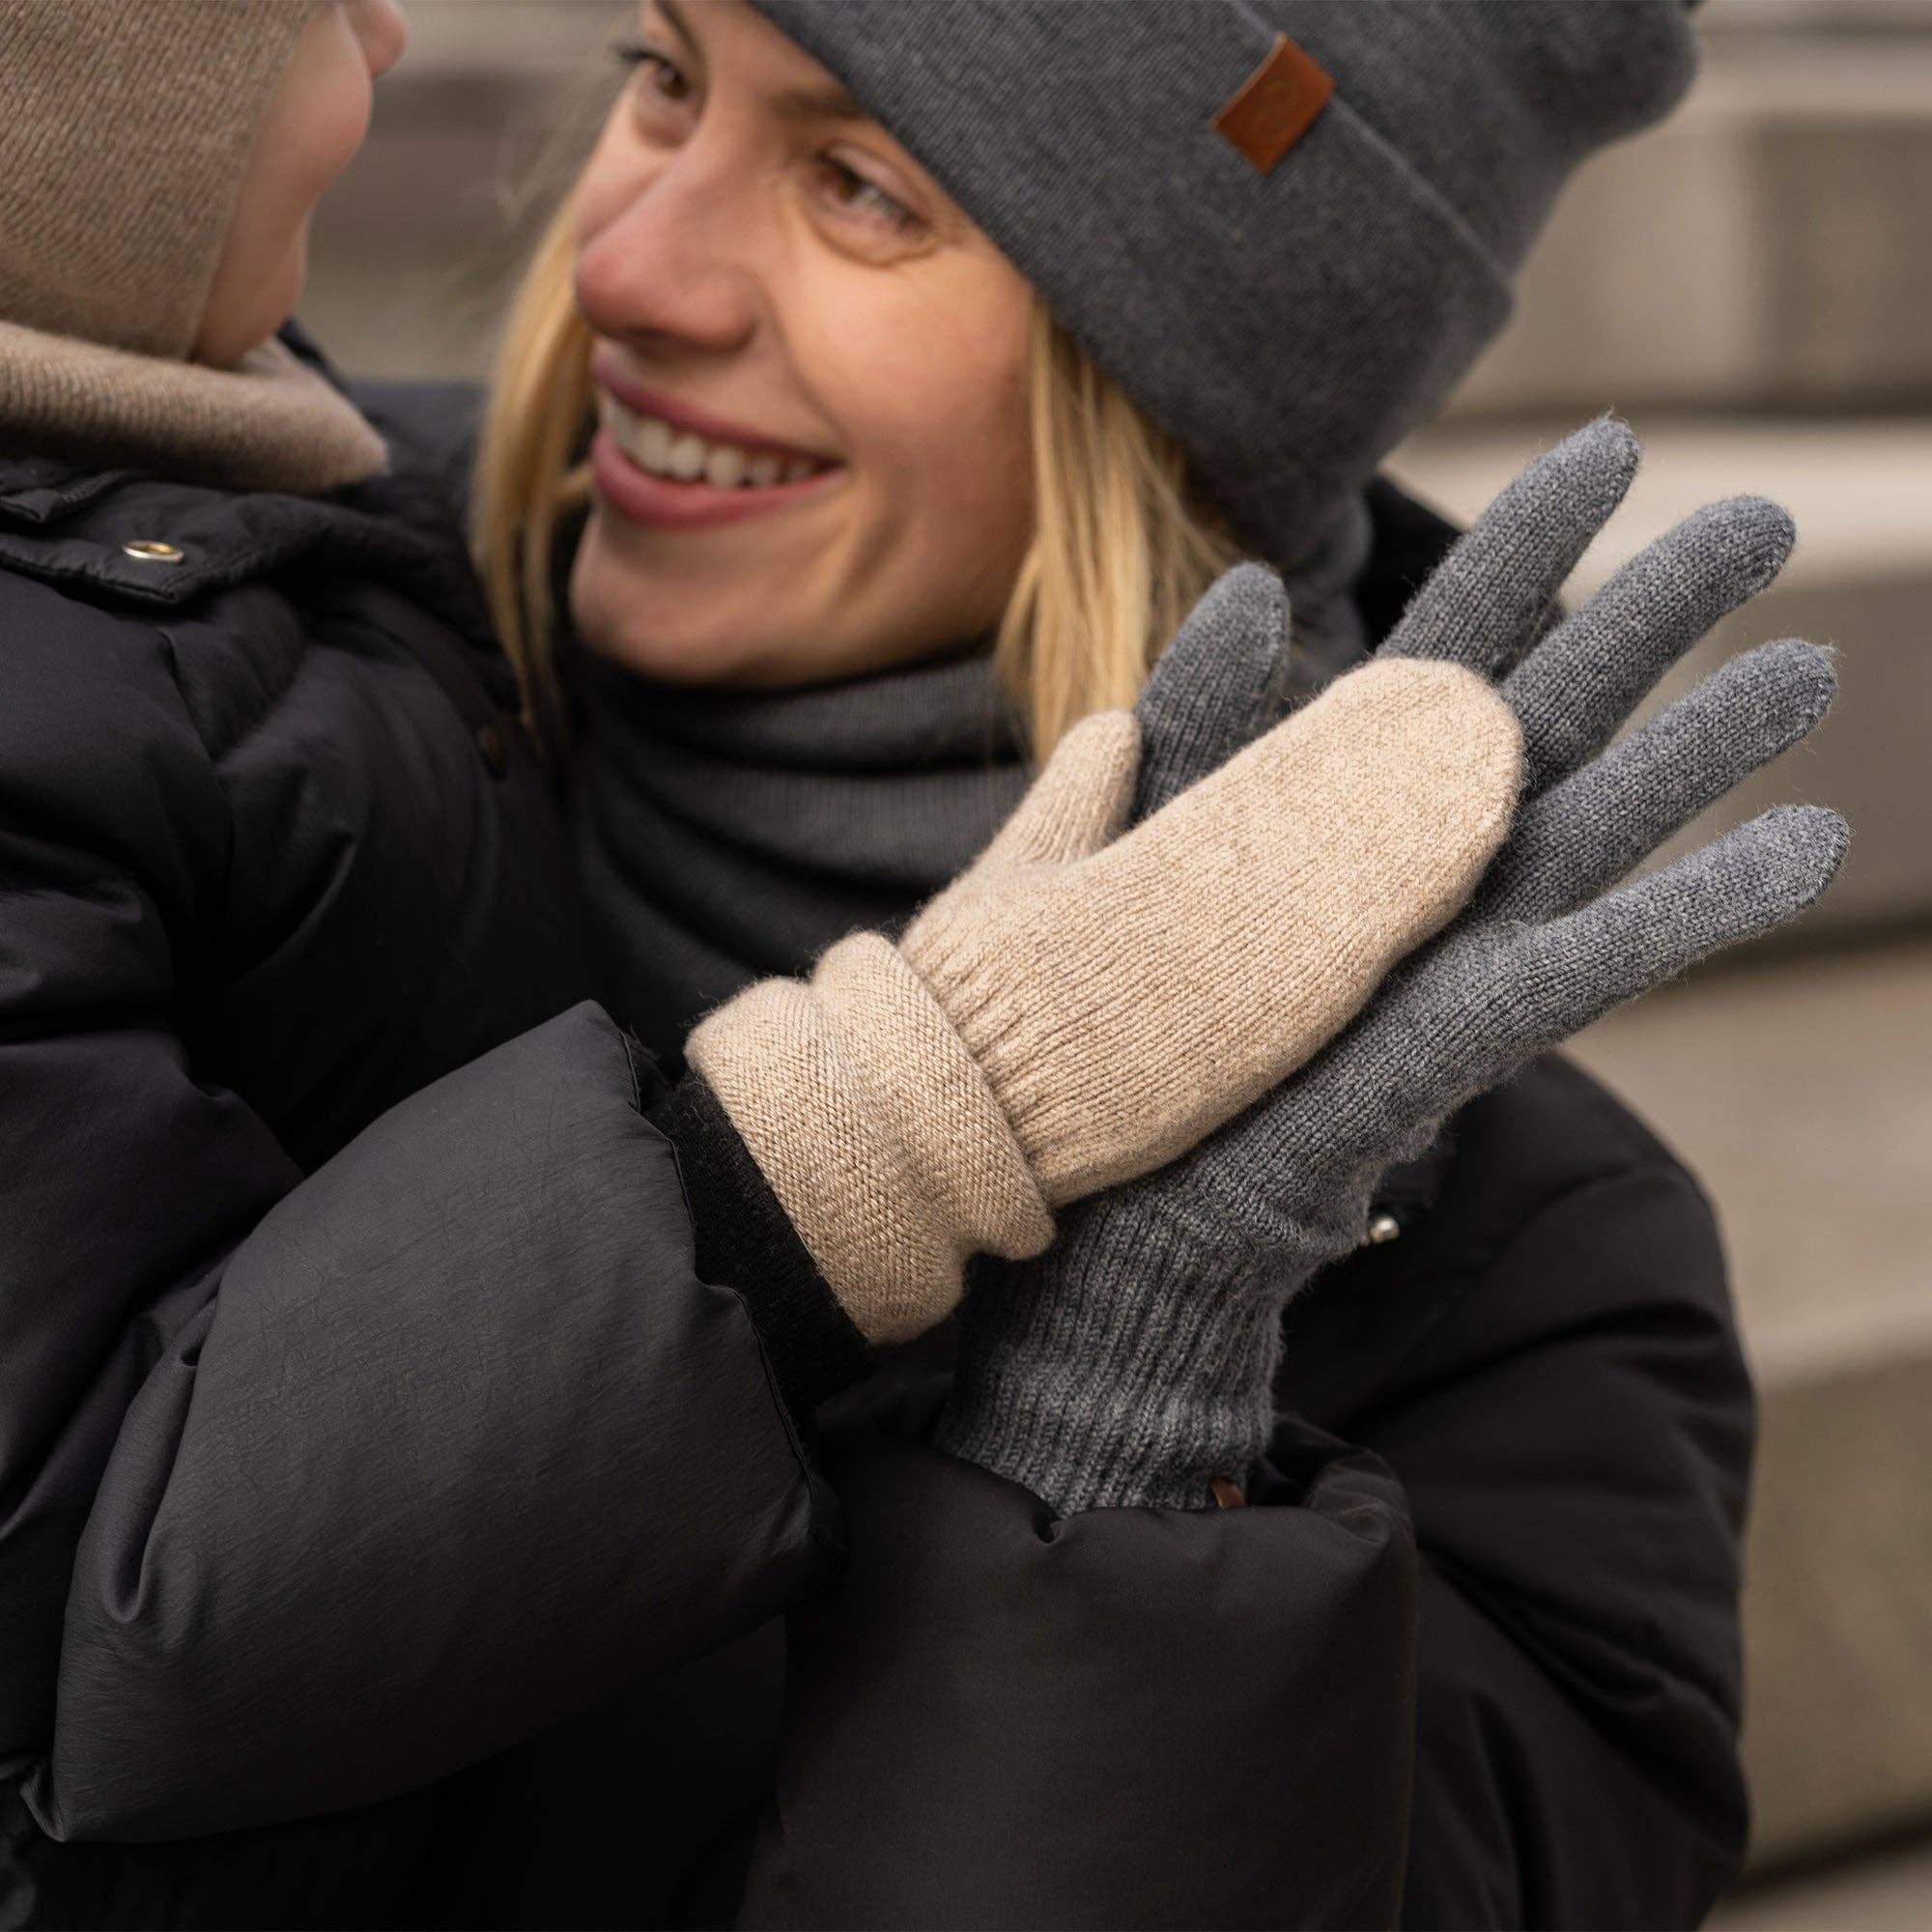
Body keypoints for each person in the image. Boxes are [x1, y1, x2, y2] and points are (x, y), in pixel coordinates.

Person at [0, 7, 1842, 1932]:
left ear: (1178, 378)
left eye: (861, 188)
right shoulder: (205, 714)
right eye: (662, 74)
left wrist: (1123, 1443)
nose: (623, 266)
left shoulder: (1531, 1282)